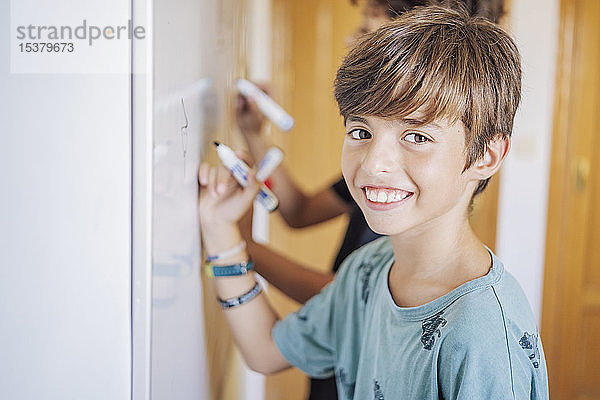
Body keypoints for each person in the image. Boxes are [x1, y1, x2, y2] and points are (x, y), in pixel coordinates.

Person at [198, 5, 548, 399]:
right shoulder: (367, 269)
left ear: (486, 156)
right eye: (361, 130)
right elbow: (265, 351)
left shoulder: (482, 337)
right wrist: (218, 228)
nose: (374, 164)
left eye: (416, 137)